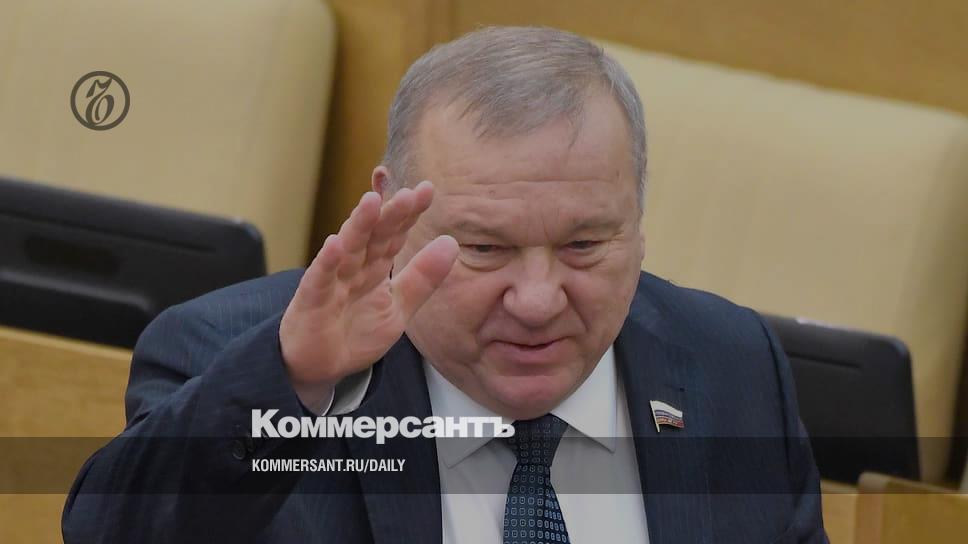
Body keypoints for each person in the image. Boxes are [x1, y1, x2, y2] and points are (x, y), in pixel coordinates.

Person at [63, 26, 827, 543]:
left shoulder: (730, 365)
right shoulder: (244, 358)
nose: (538, 300)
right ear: (392, 212)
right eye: (484, 248)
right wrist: (293, 384)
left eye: (584, 245)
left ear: (638, 214)